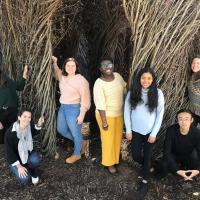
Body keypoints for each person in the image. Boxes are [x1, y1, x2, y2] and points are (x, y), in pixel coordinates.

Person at [124, 66, 164, 196]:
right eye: (143, 78)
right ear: (139, 79)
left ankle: (145, 183)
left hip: (149, 132)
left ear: (153, 80)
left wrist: (153, 133)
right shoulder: (132, 92)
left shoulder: (158, 93)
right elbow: (126, 112)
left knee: (147, 157)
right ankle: (148, 167)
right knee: (136, 155)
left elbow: (160, 114)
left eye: (149, 78)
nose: (146, 81)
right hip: (135, 130)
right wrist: (128, 130)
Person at [52, 56, 91, 164]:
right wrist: (55, 62)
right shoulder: (63, 77)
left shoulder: (81, 80)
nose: (70, 67)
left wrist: (82, 114)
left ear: (76, 67)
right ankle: (81, 143)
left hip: (74, 109)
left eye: (73, 65)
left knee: (76, 132)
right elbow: (56, 72)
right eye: (68, 65)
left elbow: (86, 99)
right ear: (65, 66)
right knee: (61, 129)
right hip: (63, 108)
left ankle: (77, 154)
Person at [93, 56, 126, 174]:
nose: (107, 67)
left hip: (119, 113)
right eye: (104, 66)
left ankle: (115, 158)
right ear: (100, 69)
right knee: (108, 140)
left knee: (117, 138)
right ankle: (109, 163)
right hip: (105, 116)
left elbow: (124, 88)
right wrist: (104, 122)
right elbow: (100, 105)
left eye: (109, 65)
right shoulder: (99, 83)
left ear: (113, 66)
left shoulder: (118, 76)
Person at [5, 109, 44, 185]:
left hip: (28, 153)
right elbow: (9, 153)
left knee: (35, 160)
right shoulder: (10, 133)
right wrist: (19, 167)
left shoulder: (29, 126)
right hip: (15, 160)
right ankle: (19, 168)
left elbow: (34, 131)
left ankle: (33, 171)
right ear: (19, 117)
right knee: (25, 180)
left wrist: (39, 124)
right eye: (24, 116)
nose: (27, 119)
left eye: (29, 117)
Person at [161, 109, 200, 181]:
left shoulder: (197, 132)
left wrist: (198, 170)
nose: (183, 122)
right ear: (177, 120)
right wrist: (177, 170)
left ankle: (186, 174)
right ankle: (176, 172)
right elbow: (166, 152)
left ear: (191, 120)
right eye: (180, 119)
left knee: (196, 166)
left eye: (186, 119)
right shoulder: (171, 130)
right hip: (174, 154)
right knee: (164, 165)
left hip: (188, 155)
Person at [0, 65, 28, 144]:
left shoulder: (7, 81)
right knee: (2, 136)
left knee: (13, 132)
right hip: (1, 112)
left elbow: (20, 86)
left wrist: (25, 72)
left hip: (12, 110)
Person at [188, 55, 200, 127]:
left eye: (198, 63)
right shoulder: (192, 76)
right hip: (193, 110)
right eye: (193, 62)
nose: (195, 65)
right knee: (192, 130)